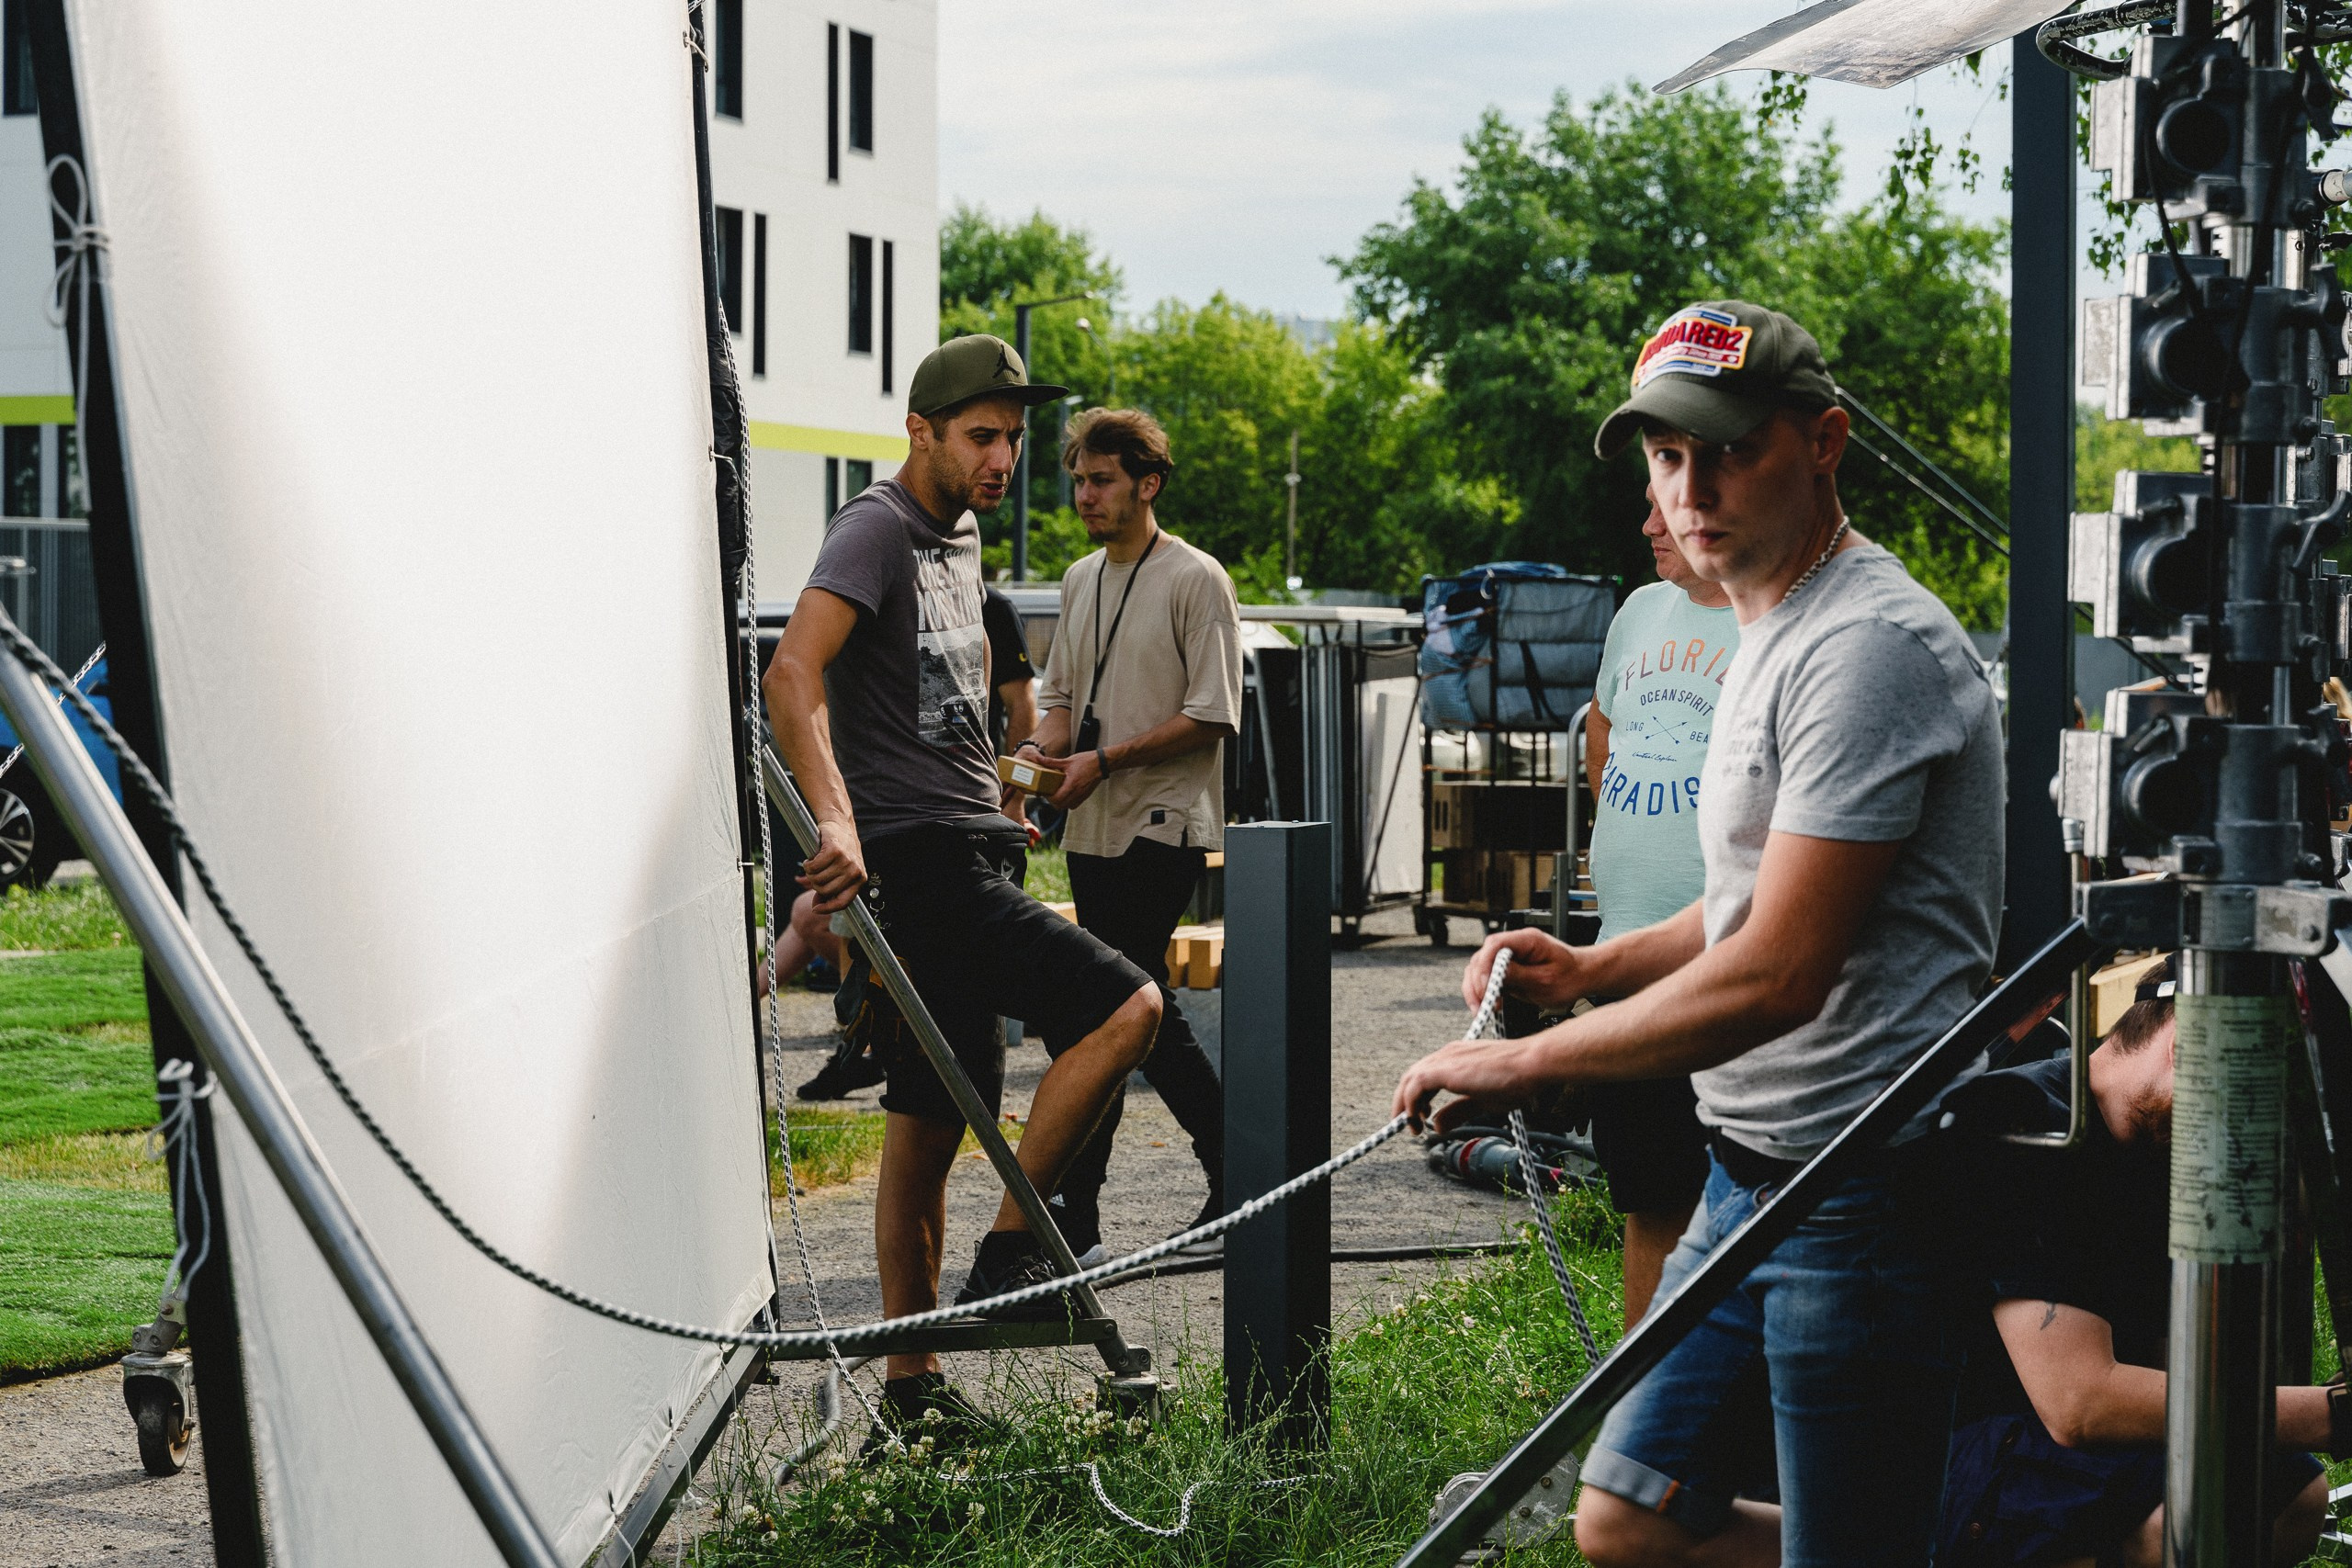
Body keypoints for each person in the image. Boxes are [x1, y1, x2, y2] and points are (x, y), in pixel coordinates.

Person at [1392, 299, 2006, 1567]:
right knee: (1627, 1517)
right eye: (1669, 457)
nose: (1692, 487)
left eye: (1729, 448)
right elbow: (1748, 895)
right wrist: (1593, 964)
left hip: (1863, 1185)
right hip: (1749, 1168)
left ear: (1825, 440)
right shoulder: (1764, 620)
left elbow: (1781, 970)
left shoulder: (1867, 646)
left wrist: (1520, 1060)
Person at [763, 334, 1161, 1441]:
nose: (1003, 459)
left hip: (969, 838)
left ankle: (911, 1390)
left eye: (1014, 439)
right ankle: (1013, 1253)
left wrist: (1000, 785)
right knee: (1128, 1005)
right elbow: (791, 674)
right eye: (981, 437)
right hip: (918, 863)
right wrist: (838, 822)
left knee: (932, 1116)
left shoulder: (962, 533)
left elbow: (950, 692)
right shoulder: (875, 527)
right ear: (921, 430)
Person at [1936, 961, 2334, 1567]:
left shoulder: (2164, 1153)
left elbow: (2169, 1369)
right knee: (2266, 1498)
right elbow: (2078, 1401)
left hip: (2059, 1460)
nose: (2250, 1133)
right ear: (2189, 1043)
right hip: (1955, 1453)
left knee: (2273, 1491)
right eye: (2251, 1099)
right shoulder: (2030, 1119)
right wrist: (2327, 1414)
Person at [1012, 407, 1240, 1254]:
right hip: (1092, 822)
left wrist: (1101, 765)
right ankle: (1211, 1168)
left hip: (1164, 822)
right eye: (1077, 479)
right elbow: (1063, 701)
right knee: (1120, 1005)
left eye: (1100, 480)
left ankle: (1085, 1211)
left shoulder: (1197, 578)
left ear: (1147, 483)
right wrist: (1032, 765)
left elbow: (1212, 716)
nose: (1084, 495)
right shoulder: (1081, 578)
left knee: (1116, 1001)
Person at [786, 584, 1040, 1101]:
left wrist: (1013, 802)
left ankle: (884, 1050)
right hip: (886, 818)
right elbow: (802, 681)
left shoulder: (993, 609)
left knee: (950, 989)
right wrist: (836, 816)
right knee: (842, 924)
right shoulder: (880, 599)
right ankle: (862, 1045)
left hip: (961, 822)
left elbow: (1022, 704)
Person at [1581, 493, 1739, 1325]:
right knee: (1651, 1195)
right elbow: (1602, 720)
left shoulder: (1776, 626)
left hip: (1731, 968)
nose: (1646, 528)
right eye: (1642, 506)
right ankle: (1639, 1402)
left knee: (1746, 1192)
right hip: (1625, 958)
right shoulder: (1640, 611)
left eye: (1663, 510)